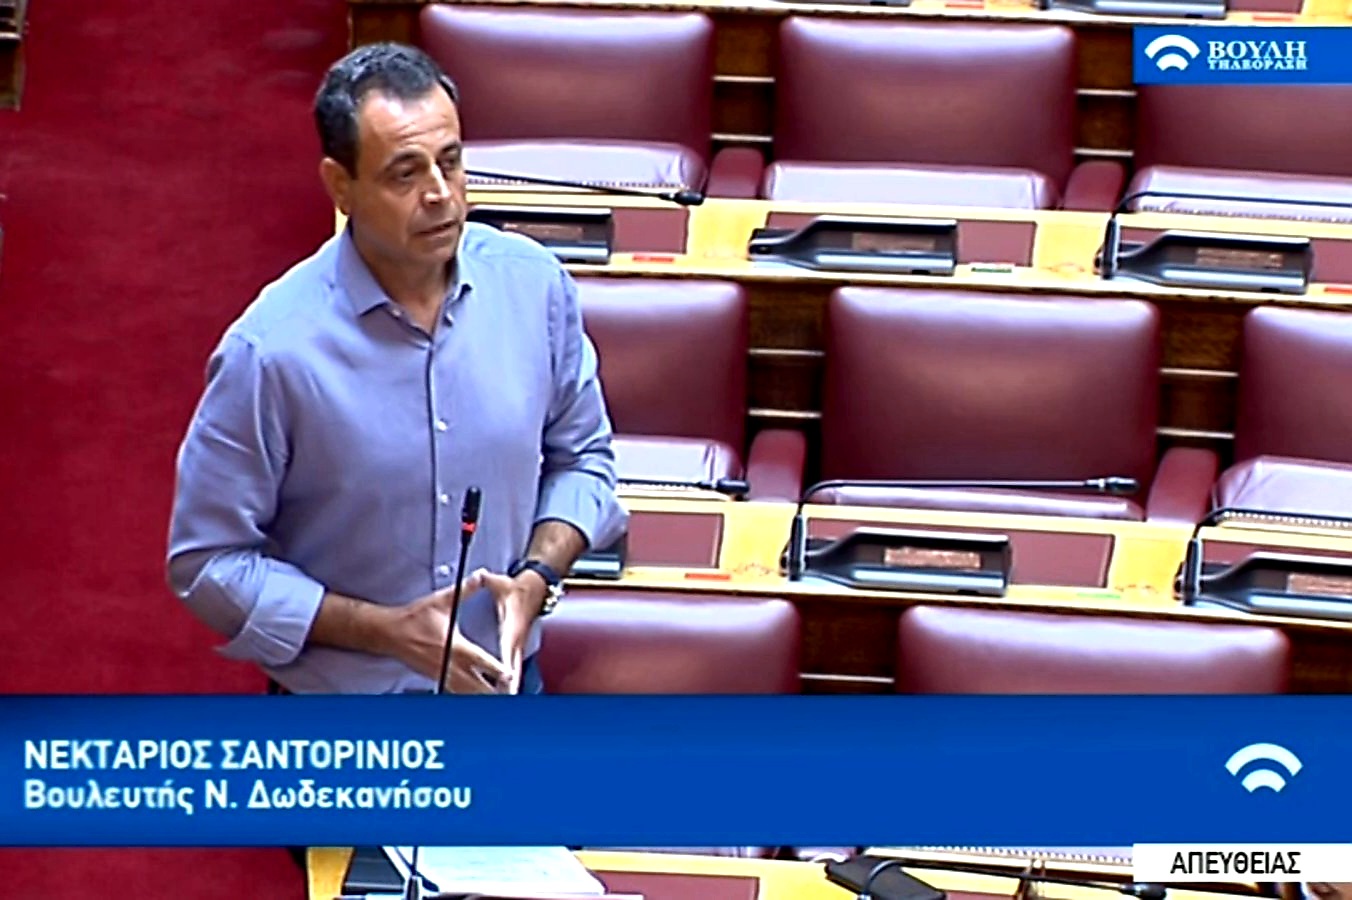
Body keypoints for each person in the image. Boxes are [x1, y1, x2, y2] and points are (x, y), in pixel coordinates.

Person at [166, 42, 627, 695]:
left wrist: (537, 577)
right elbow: (208, 561)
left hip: (504, 690)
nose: (440, 195)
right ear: (341, 187)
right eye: (405, 174)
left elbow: (583, 459)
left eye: (451, 162)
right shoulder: (270, 351)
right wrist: (383, 631)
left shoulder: (535, 289)